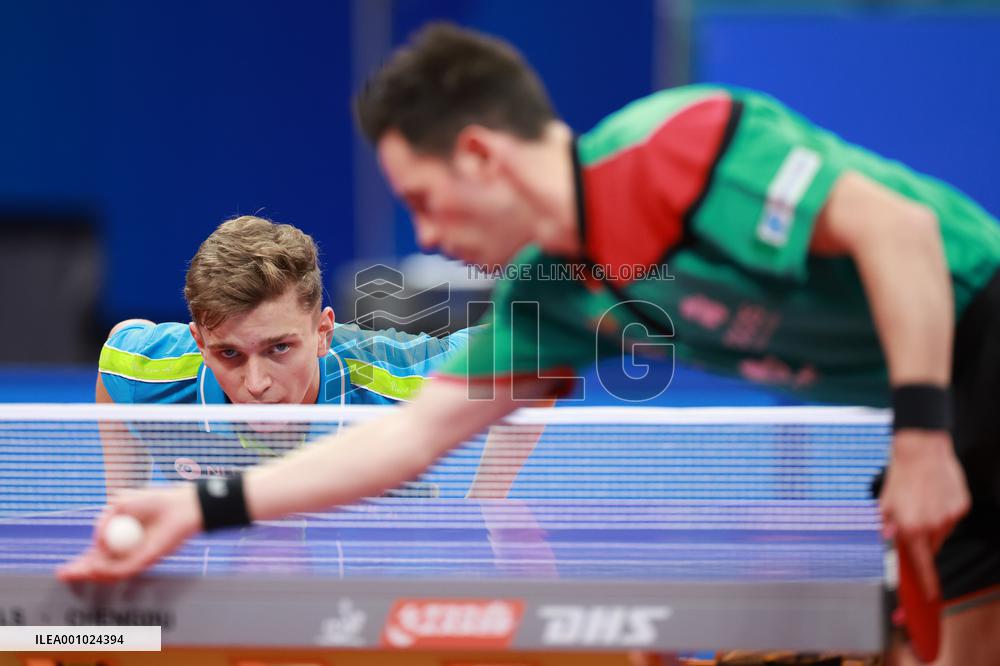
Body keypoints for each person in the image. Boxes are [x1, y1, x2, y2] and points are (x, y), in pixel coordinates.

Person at [61, 24, 999, 666]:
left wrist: (921, 435)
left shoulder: (677, 148)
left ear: (481, 156)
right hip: (951, 404)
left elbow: (906, 235)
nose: (424, 237)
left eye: (424, 200)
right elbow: (407, 440)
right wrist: (199, 513)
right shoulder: (550, 299)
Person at [95, 215, 474, 492]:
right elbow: (118, 349)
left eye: (279, 348)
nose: (256, 384)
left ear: (323, 332)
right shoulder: (155, 370)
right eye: (229, 353)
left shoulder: (399, 378)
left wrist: (487, 506)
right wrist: (122, 499)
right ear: (200, 343)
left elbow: (530, 341)